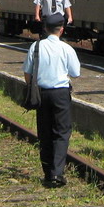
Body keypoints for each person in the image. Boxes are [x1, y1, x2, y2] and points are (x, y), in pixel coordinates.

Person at [23, 13, 80, 188]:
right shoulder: (66, 49)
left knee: (45, 132)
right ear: (61, 30)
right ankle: (57, 173)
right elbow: (75, 72)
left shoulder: (36, 46)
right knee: (61, 133)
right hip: (61, 93)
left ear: (45, 29)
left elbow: (27, 73)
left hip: (42, 94)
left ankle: (47, 172)